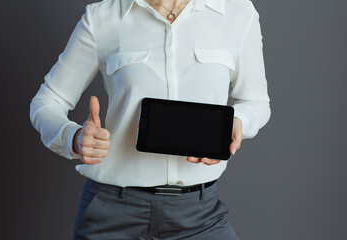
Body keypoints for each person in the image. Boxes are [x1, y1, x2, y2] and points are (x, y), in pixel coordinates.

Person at [29, 0, 271, 239]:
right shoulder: (102, 18)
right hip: (112, 213)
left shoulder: (238, 13)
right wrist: (73, 137)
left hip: (200, 215)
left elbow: (257, 103)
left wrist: (237, 122)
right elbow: (46, 102)